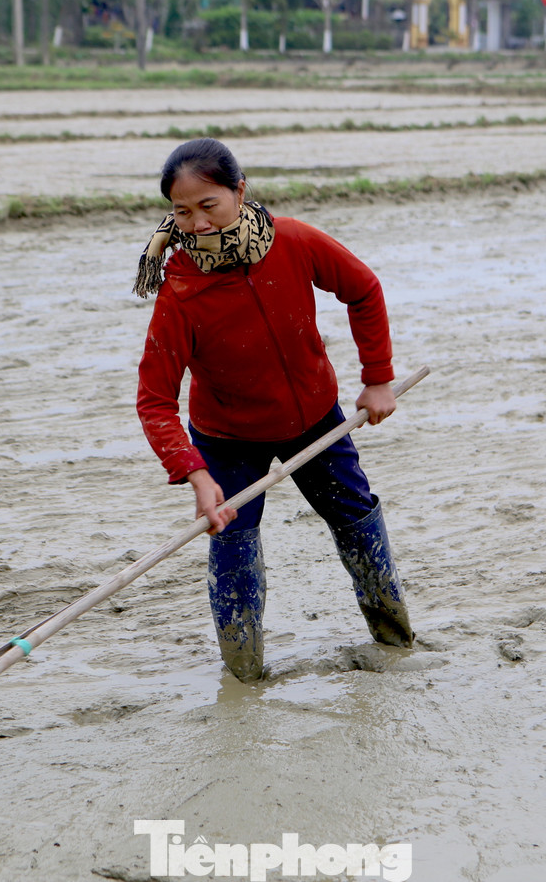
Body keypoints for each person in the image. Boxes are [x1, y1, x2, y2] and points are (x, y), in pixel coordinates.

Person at [134, 138, 414, 683]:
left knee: (358, 522)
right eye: (182, 212)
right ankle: (243, 673)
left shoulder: (293, 241)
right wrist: (195, 473)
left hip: (315, 421)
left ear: (239, 191)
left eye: (208, 205)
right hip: (227, 440)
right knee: (233, 549)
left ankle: (395, 638)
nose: (197, 223)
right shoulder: (180, 292)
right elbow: (154, 400)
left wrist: (378, 379)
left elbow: (363, 289)